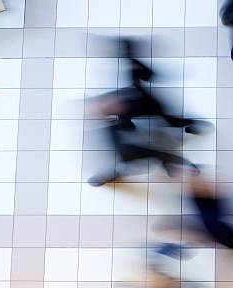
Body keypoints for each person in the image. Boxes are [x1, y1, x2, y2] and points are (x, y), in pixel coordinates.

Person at [88, 38, 206, 186]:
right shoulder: (115, 122)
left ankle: (193, 128)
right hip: (131, 113)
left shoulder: (133, 67)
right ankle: (176, 156)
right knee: (133, 146)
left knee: (168, 123)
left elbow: (150, 76)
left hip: (145, 105)